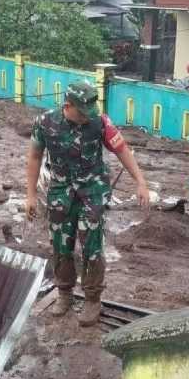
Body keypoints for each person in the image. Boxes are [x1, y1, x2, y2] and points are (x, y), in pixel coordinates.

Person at [26, 82, 150, 327]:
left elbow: (122, 150)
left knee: (91, 244)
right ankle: (64, 294)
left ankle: (92, 299)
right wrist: (30, 194)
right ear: (67, 106)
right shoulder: (45, 123)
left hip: (93, 191)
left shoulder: (100, 122)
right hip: (61, 192)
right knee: (61, 244)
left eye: (89, 112)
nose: (86, 118)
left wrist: (141, 182)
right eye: (81, 113)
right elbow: (34, 157)